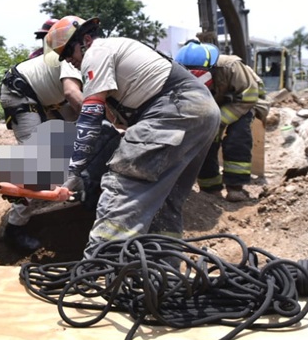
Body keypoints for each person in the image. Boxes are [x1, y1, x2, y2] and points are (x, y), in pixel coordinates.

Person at [44, 16, 221, 256]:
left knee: (122, 187)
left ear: (85, 40)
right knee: (164, 201)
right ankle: (161, 270)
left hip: (173, 108)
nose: (68, 60)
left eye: (68, 52)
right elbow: (112, 127)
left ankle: (100, 267)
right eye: (62, 56)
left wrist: (74, 172)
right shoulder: (120, 55)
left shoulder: (97, 51)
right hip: (201, 111)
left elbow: (90, 115)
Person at [0, 53, 83, 251]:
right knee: (38, 163)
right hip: (20, 93)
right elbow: (72, 93)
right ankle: (14, 228)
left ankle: (77, 188)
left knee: (73, 142)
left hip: (48, 99)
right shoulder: (81, 56)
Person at [175, 39, 264, 202]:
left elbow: (248, 97)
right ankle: (210, 189)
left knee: (238, 136)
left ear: (211, 68)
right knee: (203, 142)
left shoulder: (231, 67)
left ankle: (235, 187)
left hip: (243, 102)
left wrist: (217, 120)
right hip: (210, 104)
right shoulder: (175, 74)